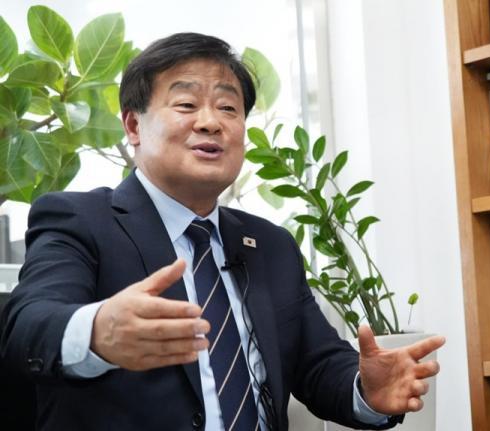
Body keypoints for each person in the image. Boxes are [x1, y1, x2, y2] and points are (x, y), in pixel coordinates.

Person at [0, 33, 444, 431]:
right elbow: (27, 327)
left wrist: (365, 391)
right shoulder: (80, 219)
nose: (211, 122)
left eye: (228, 108)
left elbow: (317, 363)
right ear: (133, 126)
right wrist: (98, 331)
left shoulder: (270, 244)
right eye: (186, 105)